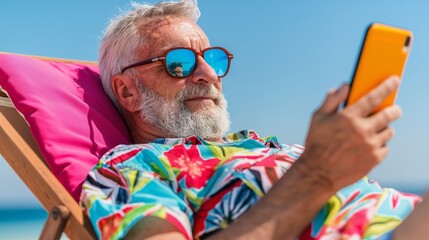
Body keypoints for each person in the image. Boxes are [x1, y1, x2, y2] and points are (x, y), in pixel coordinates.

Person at [80, 1, 427, 239]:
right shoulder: (132, 169)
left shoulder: (261, 145)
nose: (207, 74)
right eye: (178, 63)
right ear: (127, 92)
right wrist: (316, 174)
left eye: (213, 60)